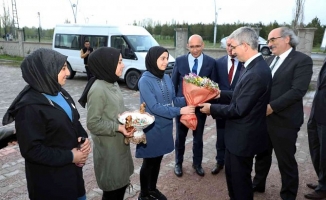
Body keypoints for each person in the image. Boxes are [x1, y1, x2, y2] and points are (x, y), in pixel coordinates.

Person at [2, 48, 91, 200]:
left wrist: (83, 139)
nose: (68, 73)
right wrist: (70, 156)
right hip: (50, 184)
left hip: (73, 178)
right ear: (46, 70)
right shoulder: (29, 106)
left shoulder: (59, 92)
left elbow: (73, 121)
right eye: (62, 68)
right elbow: (32, 150)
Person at [199, 27, 272, 200]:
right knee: (232, 179)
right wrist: (220, 94)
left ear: (245, 45)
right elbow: (242, 94)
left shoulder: (256, 72)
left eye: (234, 47)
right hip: (236, 138)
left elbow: (239, 108)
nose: (232, 51)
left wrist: (211, 108)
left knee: (240, 185)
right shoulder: (251, 66)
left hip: (243, 139)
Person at [252, 27, 313, 200]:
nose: (269, 44)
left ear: (287, 39)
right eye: (268, 41)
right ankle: (258, 184)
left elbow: (297, 91)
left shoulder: (302, 60)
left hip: (284, 121)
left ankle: (288, 194)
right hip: (264, 119)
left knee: (286, 161)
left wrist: (271, 107)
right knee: (262, 155)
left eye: (272, 40)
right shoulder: (270, 60)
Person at [137, 46, 195, 200]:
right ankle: (143, 194)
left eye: (167, 58)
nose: (166, 61)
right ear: (153, 59)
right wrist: (180, 111)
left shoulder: (166, 77)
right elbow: (155, 107)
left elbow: (173, 100)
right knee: (148, 161)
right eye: (162, 58)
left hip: (165, 127)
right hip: (151, 128)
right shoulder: (144, 80)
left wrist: (191, 98)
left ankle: (152, 189)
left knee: (158, 159)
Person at [78, 47, 134, 200]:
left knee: (121, 186)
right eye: (120, 62)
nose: (123, 65)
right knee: (113, 192)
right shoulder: (98, 89)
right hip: (109, 151)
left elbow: (115, 111)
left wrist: (131, 118)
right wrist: (119, 127)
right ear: (107, 63)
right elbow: (93, 123)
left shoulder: (112, 82)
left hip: (120, 146)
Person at [171, 34, 216, 177]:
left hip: (200, 108)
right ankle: (178, 163)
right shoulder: (179, 61)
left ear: (202, 45)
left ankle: (197, 164)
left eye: (197, 46)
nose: (195, 49)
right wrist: (177, 103)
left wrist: (209, 105)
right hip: (183, 107)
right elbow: (173, 84)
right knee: (180, 137)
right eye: (192, 46)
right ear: (187, 46)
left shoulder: (211, 62)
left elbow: (213, 87)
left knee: (198, 138)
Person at [211, 37, 243, 175]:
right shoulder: (218, 63)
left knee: (236, 137)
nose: (230, 48)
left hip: (239, 107)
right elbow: (213, 85)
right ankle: (220, 162)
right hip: (221, 108)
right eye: (228, 45)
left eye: (232, 45)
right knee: (221, 136)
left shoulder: (245, 64)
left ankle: (234, 164)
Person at [305, 60, 326, 199]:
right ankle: (322, 181)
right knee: (316, 150)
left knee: (325, 155)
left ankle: (324, 188)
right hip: (317, 113)